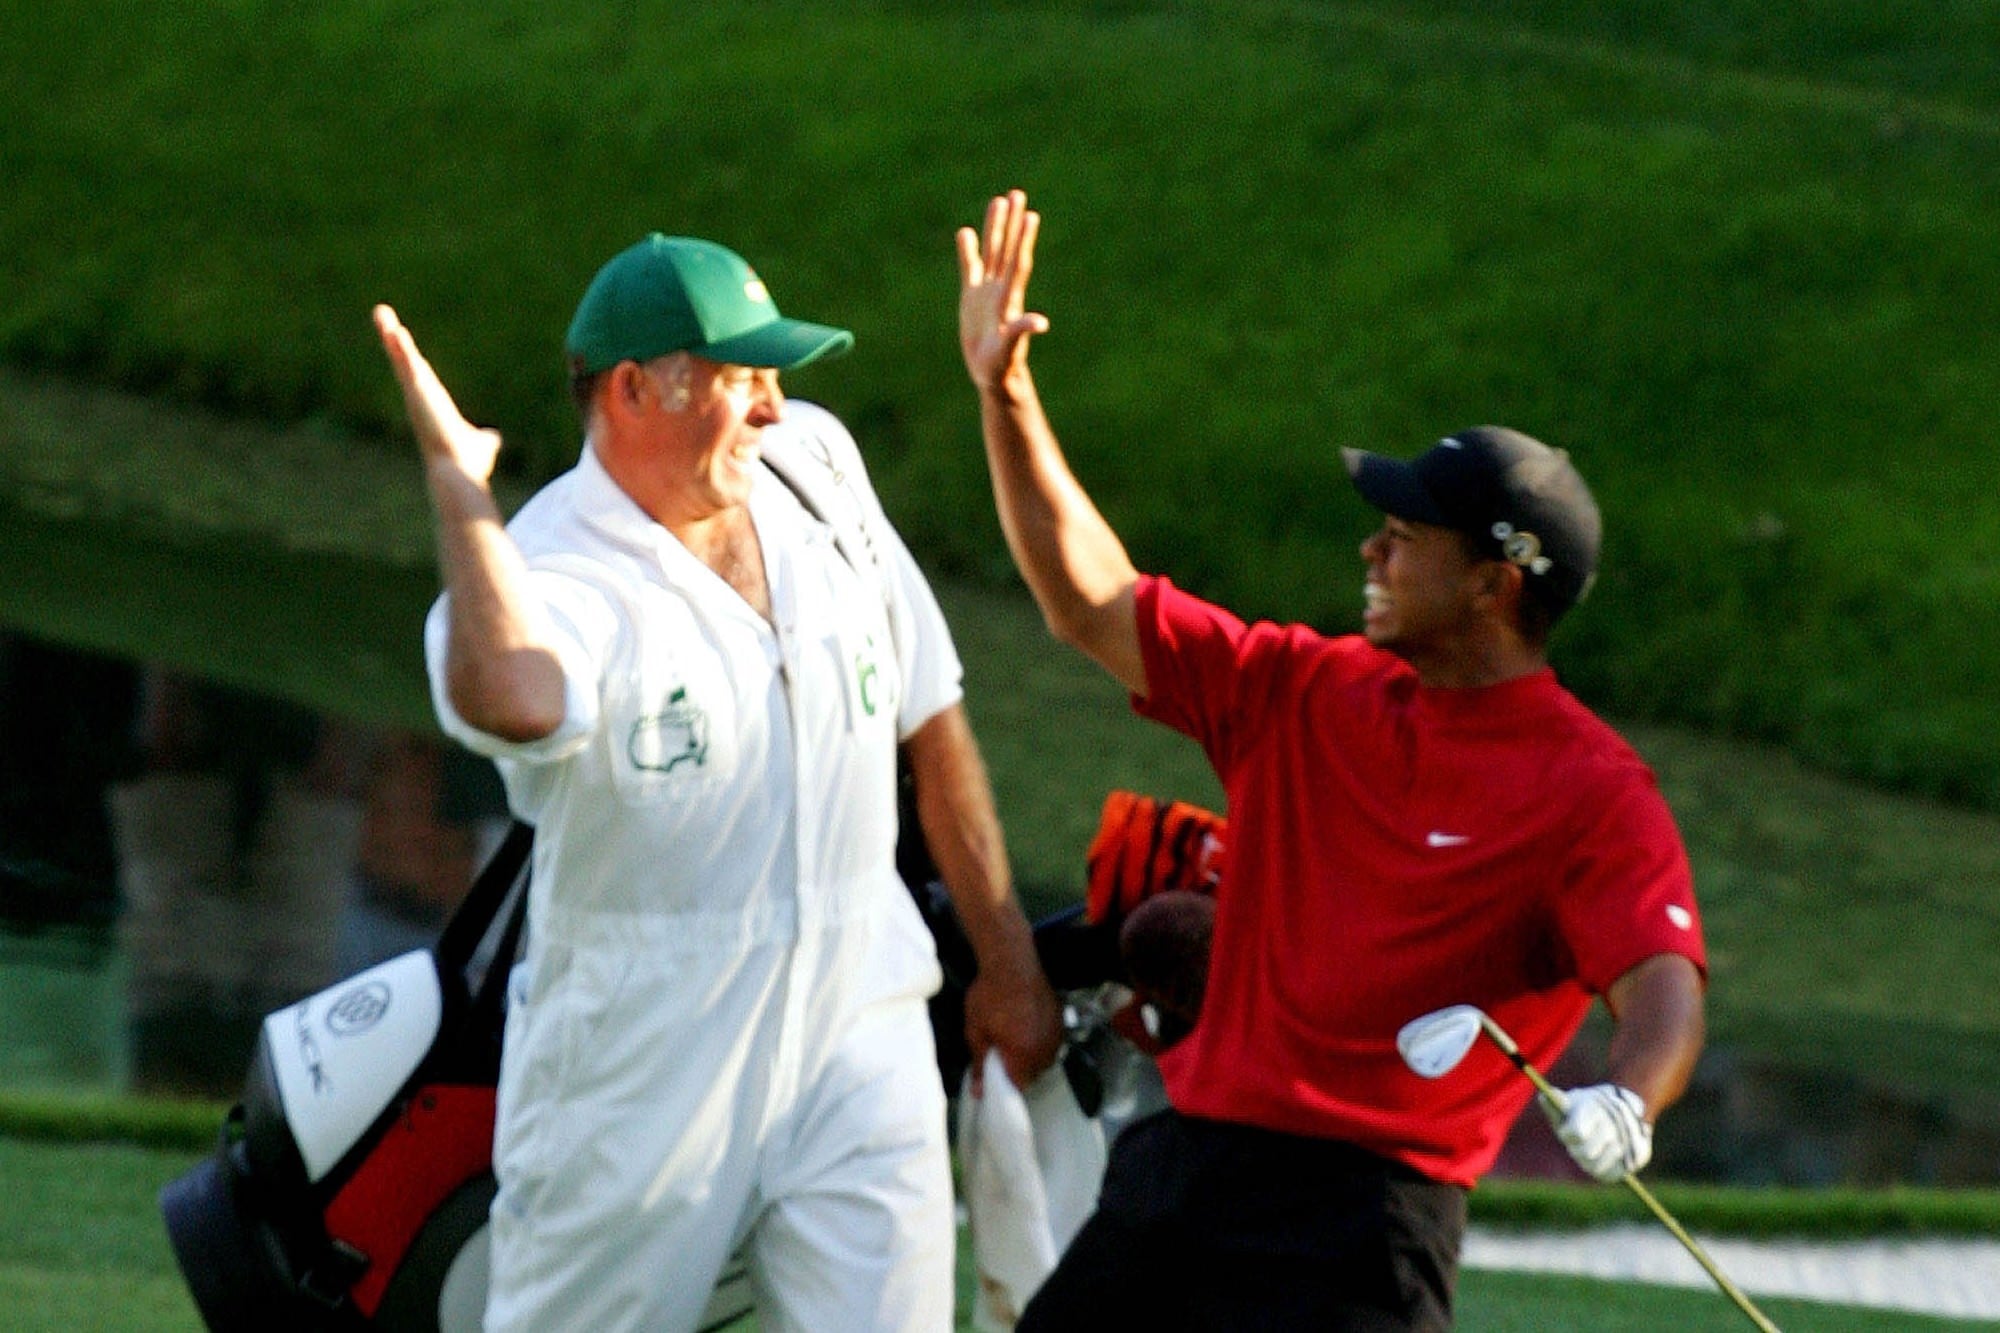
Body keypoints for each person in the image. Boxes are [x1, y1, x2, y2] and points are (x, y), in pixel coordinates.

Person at [955, 190, 1707, 1331]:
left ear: (1492, 584)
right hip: (1183, 1179)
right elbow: (1089, 599)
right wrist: (1004, 399)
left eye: (1404, 538)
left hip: (1364, 1227)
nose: (1370, 546)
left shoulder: (1590, 791)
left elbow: (1659, 984)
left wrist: (1629, 1100)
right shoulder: (1305, 687)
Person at [373, 232, 1061, 1333]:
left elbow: (926, 713)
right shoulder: (551, 569)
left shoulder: (819, 467)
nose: (772, 409)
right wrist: (460, 489)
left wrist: (1006, 959)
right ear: (634, 389)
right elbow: (513, 696)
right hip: (640, 1065)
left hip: (858, 1022)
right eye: (741, 378)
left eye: (773, 376)